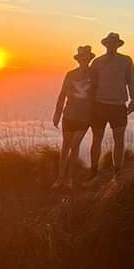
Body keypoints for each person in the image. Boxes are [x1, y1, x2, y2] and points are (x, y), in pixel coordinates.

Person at [89, 31, 134, 175]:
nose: (112, 45)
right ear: (106, 44)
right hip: (99, 105)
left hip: (118, 105)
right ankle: (94, 170)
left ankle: (117, 171)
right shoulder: (97, 62)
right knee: (97, 139)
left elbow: (132, 80)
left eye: (114, 42)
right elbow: (91, 84)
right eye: (110, 42)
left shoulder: (126, 61)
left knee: (119, 140)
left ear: (117, 44)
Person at [52, 45, 96, 188]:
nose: (84, 60)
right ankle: (60, 178)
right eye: (82, 58)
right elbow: (62, 94)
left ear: (89, 59)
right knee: (66, 146)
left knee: (74, 146)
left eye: (86, 58)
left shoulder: (94, 74)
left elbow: (97, 95)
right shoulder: (70, 74)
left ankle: (69, 179)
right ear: (78, 59)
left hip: (84, 117)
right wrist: (57, 114)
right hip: (69, 115)